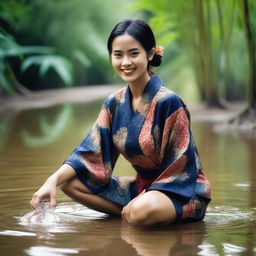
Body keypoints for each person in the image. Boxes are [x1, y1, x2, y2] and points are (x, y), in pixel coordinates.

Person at [30, 18, 211, 227]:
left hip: (181, 190)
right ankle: (130, 212)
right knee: (69, 183)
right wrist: (51, 180)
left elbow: (181, 166)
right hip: (142, 189)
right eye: (118, 55)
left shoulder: (169, 102)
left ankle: (136, 212)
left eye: (134, 53)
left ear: (150, 54)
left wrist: (149, 197)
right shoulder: (114, 103)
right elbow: (90, 151)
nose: (126, 62)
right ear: (111, 57)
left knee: (142, 210)